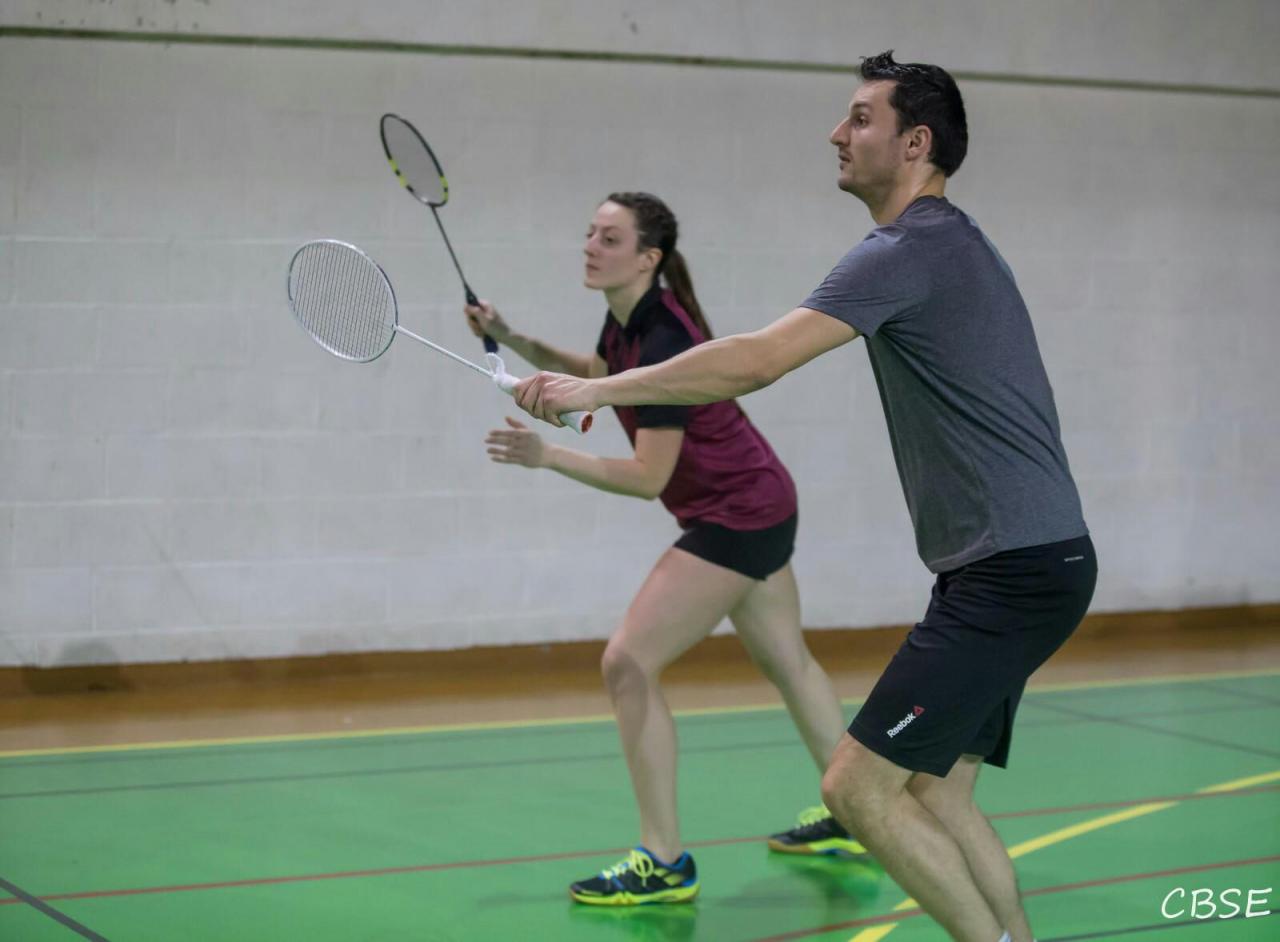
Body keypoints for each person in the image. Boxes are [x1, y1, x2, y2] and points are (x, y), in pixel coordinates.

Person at [513, 52, 1096, 942]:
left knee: (855, 788)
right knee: (935, 788)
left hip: (1011, 570)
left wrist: (599, 393)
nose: (837, 132)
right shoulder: (950, 243)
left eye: (860, 118)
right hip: (1031, 558)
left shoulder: (909, 248)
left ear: (915, 143)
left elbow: (756, 360)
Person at [464, 191, 864, 906]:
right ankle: (859, 815)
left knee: (627, 663)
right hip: (761, 500)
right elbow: (594, 367)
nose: (590, 244)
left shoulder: (664, 339)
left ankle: (664, 860)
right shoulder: (631, 320)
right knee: (787, 660)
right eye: (588, 231)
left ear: (648, 257)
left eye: (609, 237)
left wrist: (546, 457)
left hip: (735, 514)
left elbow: (650, 479)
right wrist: (515, 337)